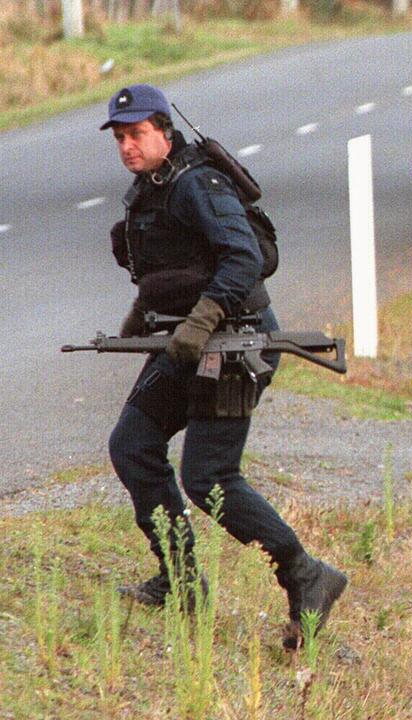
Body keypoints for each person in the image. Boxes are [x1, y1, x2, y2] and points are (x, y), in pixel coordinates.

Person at [101, 84, 346, 649]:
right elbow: (167, 266)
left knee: (209, 477)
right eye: (119, 138)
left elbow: (245, 258)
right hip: (190, 343)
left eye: (136, 135)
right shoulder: (151, 189)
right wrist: (143, 316)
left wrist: (202, 318)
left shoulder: (197, 185)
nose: (127, 148)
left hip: (234, 345)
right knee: (132, 444)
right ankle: (181, 581)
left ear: (164, 130)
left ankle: (306, 575)